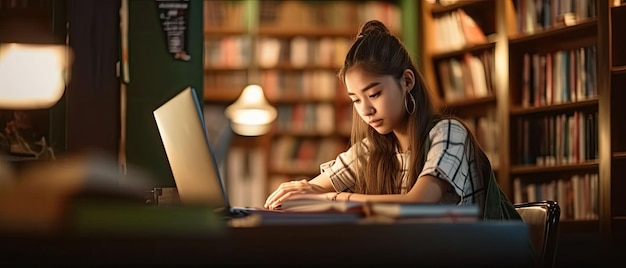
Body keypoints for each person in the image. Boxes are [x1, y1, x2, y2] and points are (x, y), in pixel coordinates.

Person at [263, 20, 520, 222]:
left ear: (407, 81)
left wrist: (333, 198)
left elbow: (420, 201)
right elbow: (314, 189)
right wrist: (301, 190)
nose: (366, 110)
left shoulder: (448, 133)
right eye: (355, 100)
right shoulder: (373, 147)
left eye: (374, 94)